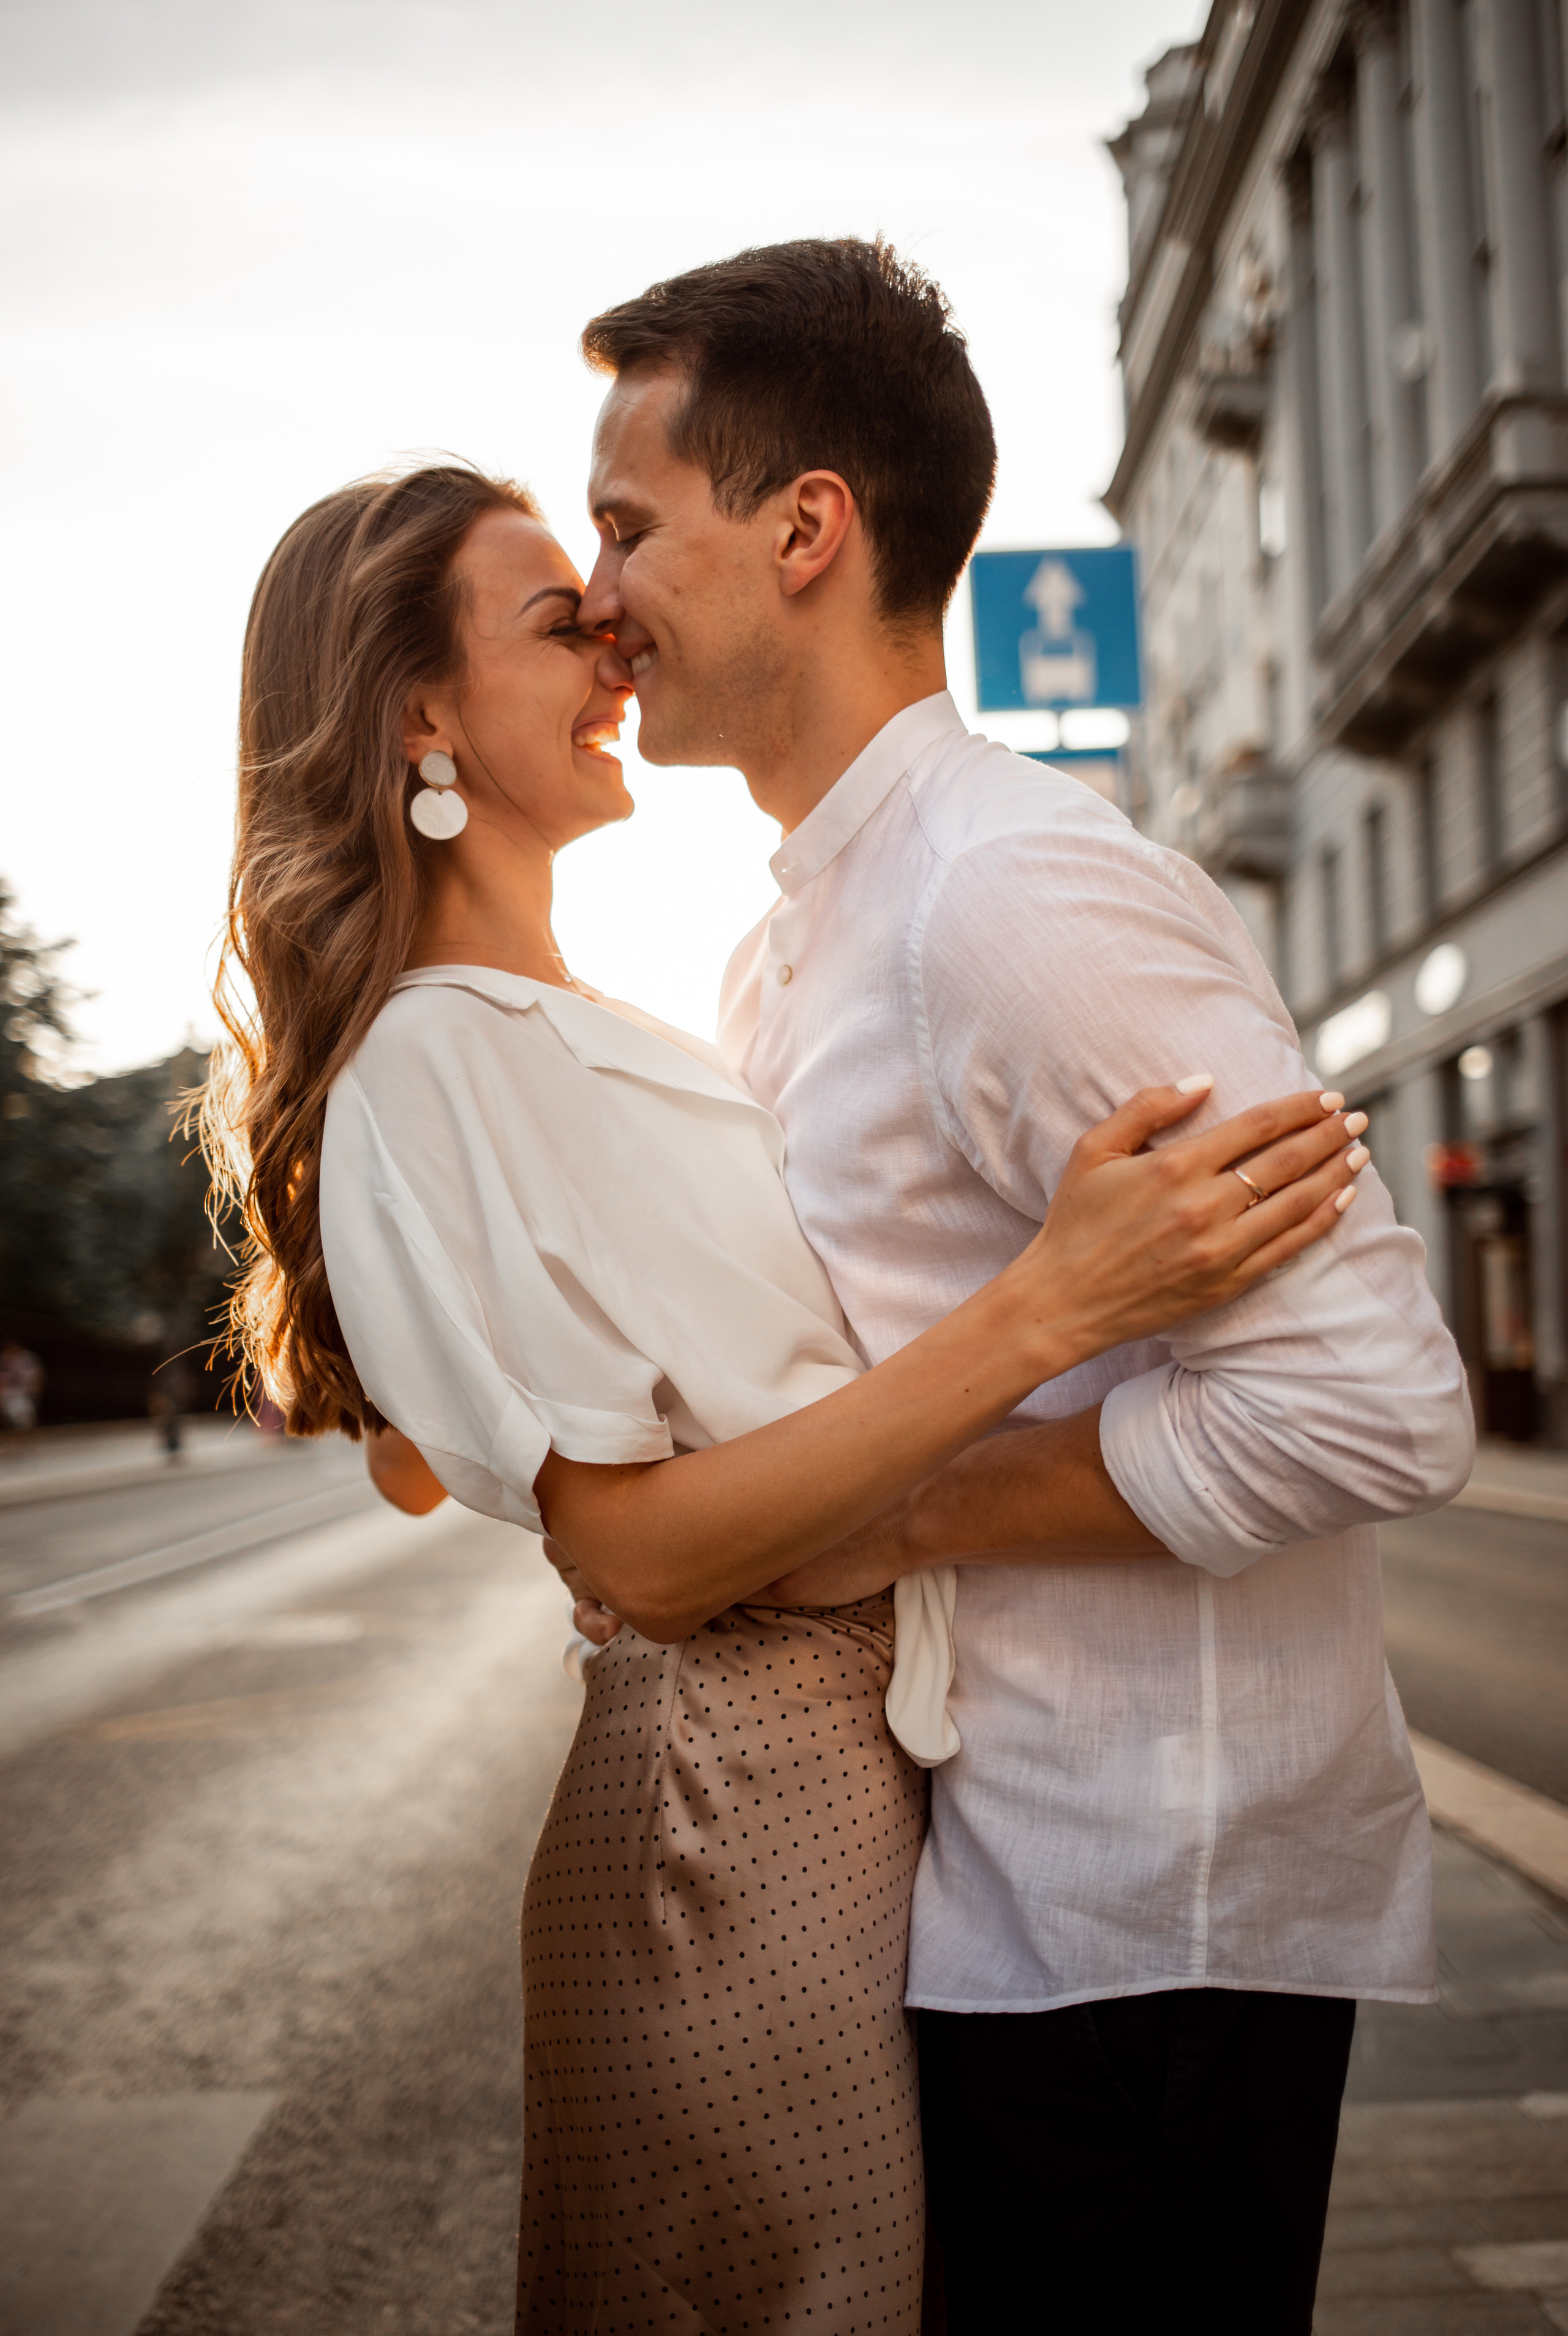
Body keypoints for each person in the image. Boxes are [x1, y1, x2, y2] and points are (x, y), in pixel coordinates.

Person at [202, 459, 1365, 2336]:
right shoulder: (431, 1054)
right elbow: (642, 1557)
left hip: (831, 1782)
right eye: (555, 625)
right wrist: (1057, 1303)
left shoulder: (613, 1025)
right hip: (721, 1808)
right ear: (419, 709)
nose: (612, 651)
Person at [563, 238, 1475, 2335]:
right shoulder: (785, 942)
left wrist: (881, 1521)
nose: (598, 588)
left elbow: (1375, 1401)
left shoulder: (1010, 896)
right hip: (981, 1885)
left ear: (807, 530)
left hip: (1146, 1908)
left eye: (629, 522)